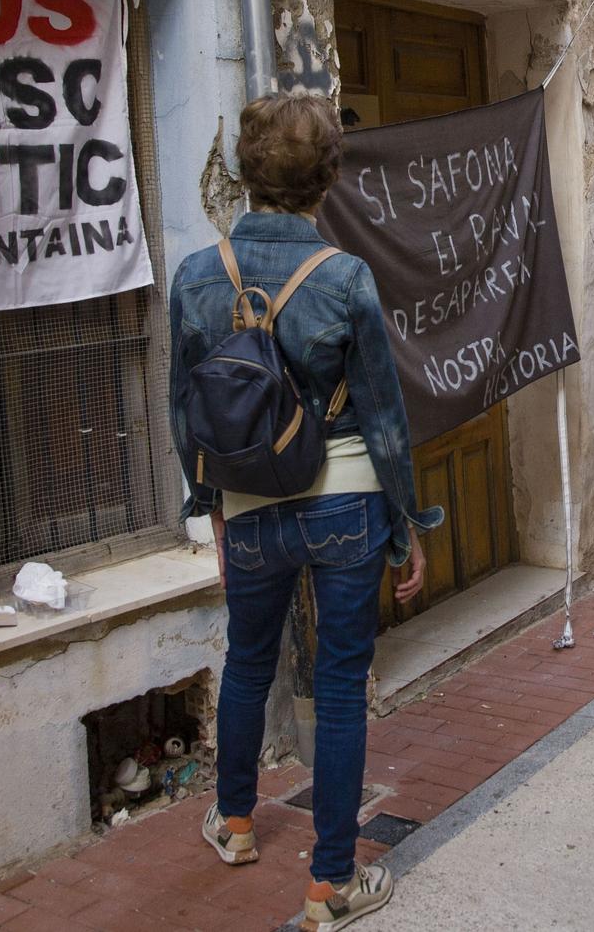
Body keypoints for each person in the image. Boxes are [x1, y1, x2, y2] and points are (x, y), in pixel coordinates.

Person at [168, 91, 442, 931]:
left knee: (249, 662)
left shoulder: (196, 275)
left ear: (247, 174)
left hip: (249, 505)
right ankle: (329, 885)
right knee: (339, 685)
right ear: (327, 181)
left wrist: (211, 508)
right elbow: (386, 419)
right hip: (347, 502)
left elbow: (187, 411)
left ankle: (237, 823)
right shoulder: (346, 278)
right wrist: (406, 531)